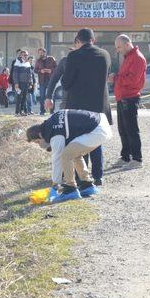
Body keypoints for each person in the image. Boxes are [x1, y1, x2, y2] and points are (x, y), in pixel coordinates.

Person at [26, 109, 112, 203]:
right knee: (73, 152)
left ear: (40, 134)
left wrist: (55, 185)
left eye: (38, 142)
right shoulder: (51, 123)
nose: (40, 145)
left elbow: (57, 159)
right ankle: (87, 184)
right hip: (100, 123)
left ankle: (71, 189)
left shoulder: (54, 134)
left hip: (97, 130)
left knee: (66, 155)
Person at [61, 29, 112, 186]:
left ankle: (81, 176)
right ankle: (98, 176)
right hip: (99, 104)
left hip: (79, 106)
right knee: (96, 140)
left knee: (79, 142)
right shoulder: (105, 55)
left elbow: (66, 83)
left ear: (78, 40)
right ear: (93, 39)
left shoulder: (74, 56)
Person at [109, 34, 147, 168]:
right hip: (122, 97)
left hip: (130, 98)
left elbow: (133, 80)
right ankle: (126, 157)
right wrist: (116, 77)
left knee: (131, 129)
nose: (118, 50)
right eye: (116, 48)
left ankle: (137, 159)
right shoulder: (128, 57)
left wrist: (115, 79)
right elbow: (125, 76)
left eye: (119, 47)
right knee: (123, 129)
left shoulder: (137, 58)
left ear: (127, 44)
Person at [35, 48, 57, 115]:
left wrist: (51, 70)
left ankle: (52, 111)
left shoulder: (51, 59)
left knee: (51, 96)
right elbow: (35, 70)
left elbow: (57, 67)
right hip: (42, 81)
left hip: (51, 80)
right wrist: (40, 71)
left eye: (41, 53)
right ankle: (42, 111)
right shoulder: (38, 61)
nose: (40, 54)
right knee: (42, 97)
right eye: (39, 53)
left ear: (45, 52)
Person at [13, 51, 33, 116]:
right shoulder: (17, 62)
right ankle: (17, 112)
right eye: (24, 55)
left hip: (26, 83)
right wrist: (16, 83)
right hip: (20, 83)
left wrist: (30, 83)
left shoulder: (28, 63)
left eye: (26, 55)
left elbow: (30, 74)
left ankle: (21, 111)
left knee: (24, 98)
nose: (25, 56)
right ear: (21, 55)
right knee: (19, 98)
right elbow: (15, 74)